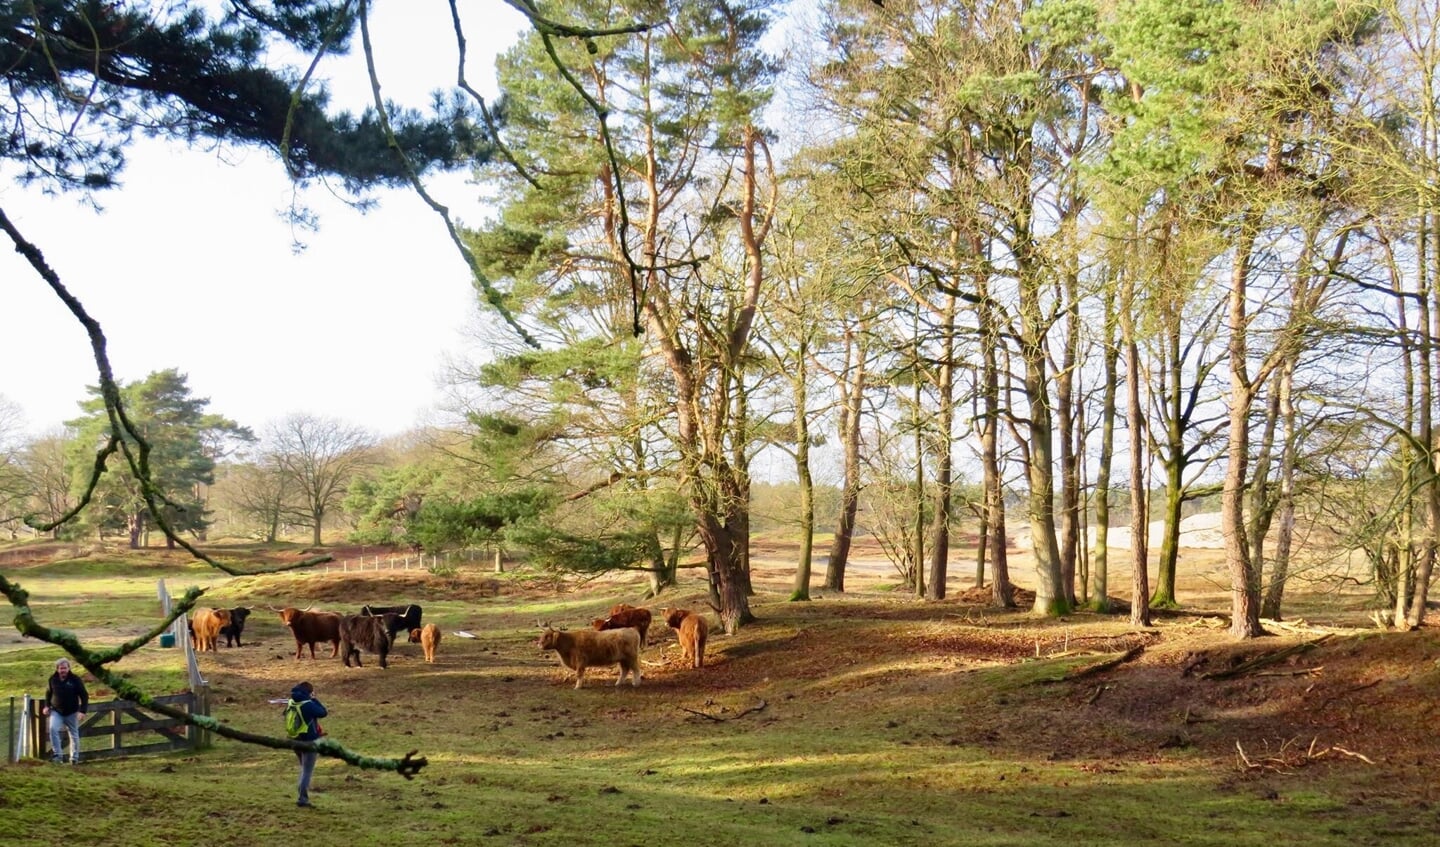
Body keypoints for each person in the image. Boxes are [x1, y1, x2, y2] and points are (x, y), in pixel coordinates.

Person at [288, 681, 328, 807]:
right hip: (309, 741)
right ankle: (302, 798)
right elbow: (323, 712)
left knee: (303, 767)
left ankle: (302, 792)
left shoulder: (292, 702)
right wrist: (314, 699)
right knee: (307, 770)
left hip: (295, 739)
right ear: (309, 692)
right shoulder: (307, 704)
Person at [42, 657, 88, 764]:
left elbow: (84, 695)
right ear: (57, 669)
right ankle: (58, 755)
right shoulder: (52, 679)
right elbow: (48, 693)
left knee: (73, 734)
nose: (63, 670)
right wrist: (46, 706)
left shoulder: (75, 680)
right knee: (53, 729)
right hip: (56, 711)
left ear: (69, 668)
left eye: (65, 668)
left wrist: (83, 711)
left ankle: (74, 758)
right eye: (61, 668)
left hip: (72, 712)